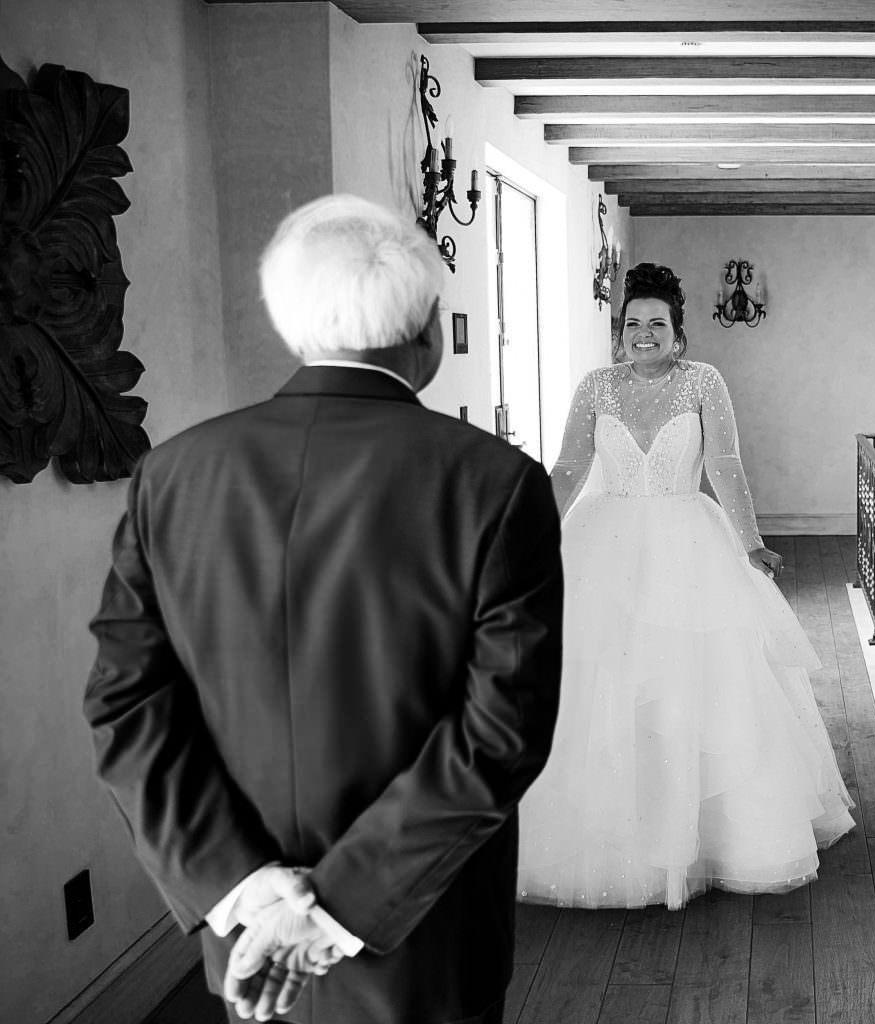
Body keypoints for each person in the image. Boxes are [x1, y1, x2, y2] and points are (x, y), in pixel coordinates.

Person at [83, 194, 564, 1024]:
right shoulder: (494, 482)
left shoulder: (173, 475)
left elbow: (125, 702)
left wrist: (242, 887)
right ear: (425, 337)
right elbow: (502, 731)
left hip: (249, 934)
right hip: (422, 930)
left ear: (292, 327)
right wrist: (339, 904)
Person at [516, 262, 854, 912]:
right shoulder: (595, 386)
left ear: (678, 333)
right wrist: (533, 537)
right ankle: (616, 842)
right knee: (604, 684)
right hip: (603, 543)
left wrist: (750, 542)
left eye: (657, 324)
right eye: (633, 323)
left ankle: (715, 840)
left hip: (687, 543)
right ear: (619, 332)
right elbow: (567, 467)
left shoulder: (703, 382)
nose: (645, 334)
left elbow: (726, 467)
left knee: (697, 686)